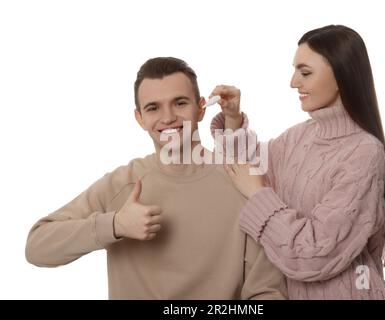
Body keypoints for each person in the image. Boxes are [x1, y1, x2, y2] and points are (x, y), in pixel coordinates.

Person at [25, 57, 287, 300]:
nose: (168, 117)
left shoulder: (240, 182)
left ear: (200, 108)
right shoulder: (122, 184)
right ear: (140, 118)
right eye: (153, 108)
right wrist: (115, 225)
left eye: (180, 103)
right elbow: (37, 246)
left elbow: (266, 291)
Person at [209, 25, 385, 299]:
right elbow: (240, 170)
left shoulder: (364, 152)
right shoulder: (300, 136)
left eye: (305, 72)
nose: (293, 82)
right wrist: (233, 119)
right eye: (295, 70)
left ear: (342, 76)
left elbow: (314, 253)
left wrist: (259, 194)